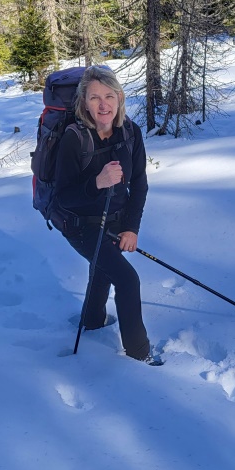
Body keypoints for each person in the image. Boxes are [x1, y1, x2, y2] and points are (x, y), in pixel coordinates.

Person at [53, 66, 162, 366]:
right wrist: (97, 183)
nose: (103, 105)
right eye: (94, 98)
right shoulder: (74, 138)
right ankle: (140, 354)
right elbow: (63, 197)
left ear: (119, 97)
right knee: (127, 280)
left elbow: (139, 183)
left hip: (117, 221)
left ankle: (92, 321)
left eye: (109, 96)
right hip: (79, 225)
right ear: (84, 103)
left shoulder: (130, 131)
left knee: (103, 268)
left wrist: (131, 228)